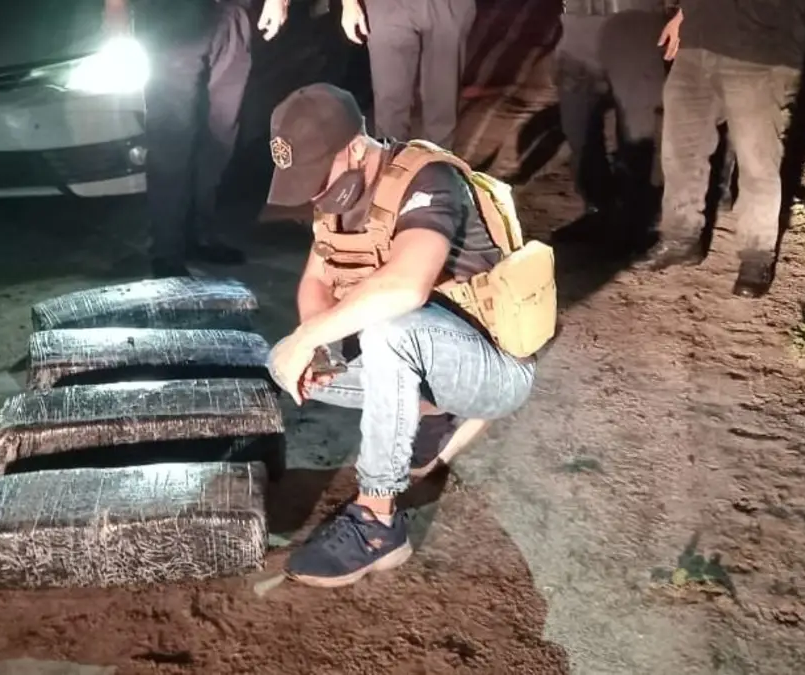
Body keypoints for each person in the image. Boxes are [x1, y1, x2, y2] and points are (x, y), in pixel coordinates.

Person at [262, 83, 553, 587]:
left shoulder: (431, 180)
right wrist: (316, 348)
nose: (311, 193)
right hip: (430, 353)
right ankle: (434, 416)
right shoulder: (338, 195)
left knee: (388, 331)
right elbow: (317, 279)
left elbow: (407, 286)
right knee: (284, 362)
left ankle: (378, 525)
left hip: (495, 362)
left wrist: (310, 338)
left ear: (355, 147)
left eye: (317, 174)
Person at [105, 0, 288, 278]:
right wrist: (116, 16)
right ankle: (167, 250)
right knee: (171, 139)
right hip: (171, 17)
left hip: (231, 13)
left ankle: (200, 236)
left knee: (221, 136)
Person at [644, 0, 805, 298]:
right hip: (696, 43)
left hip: (759, 52)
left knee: (757, 161)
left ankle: (756, 255)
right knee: (681, 150)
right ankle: (681, 237)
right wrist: (683, 14)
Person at [555, 0, 668, 228]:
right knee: (578, 129)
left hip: (635, 25)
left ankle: (635, 217)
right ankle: (597, 207)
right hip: (577, 27)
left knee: (636, 133)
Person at [337, 0, 477, 148]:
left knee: (442, 101)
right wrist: (349, 4)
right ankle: (390, 159)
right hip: (386, 6)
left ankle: (438, 159)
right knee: (389, 104)